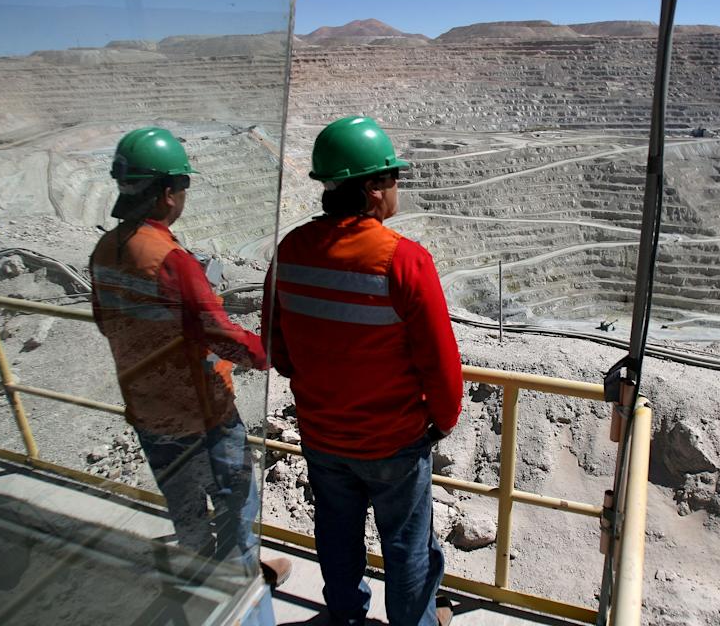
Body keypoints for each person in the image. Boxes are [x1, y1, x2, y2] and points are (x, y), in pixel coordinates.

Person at [262, 116, 462, 626]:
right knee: (407, 546)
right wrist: (441, 420)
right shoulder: (404, 260)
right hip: (393, 440)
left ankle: (347, 616)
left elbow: (277, 348)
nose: (397, 188)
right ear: (373, 189)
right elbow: (440, 363)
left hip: (322, 433)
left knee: (337, 533)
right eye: (392, 178)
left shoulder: (290, 251)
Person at [90, 126, 291, 593]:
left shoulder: (104, 251)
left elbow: (106, 322)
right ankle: (237, 593)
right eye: (183, 186)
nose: (184, 196)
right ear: (165, 194)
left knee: (185, 510)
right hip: (202, 416)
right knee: (237, 502)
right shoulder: (169, 258)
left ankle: (198, 585)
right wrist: (267, 353)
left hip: (148, 410)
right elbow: (219, 332)